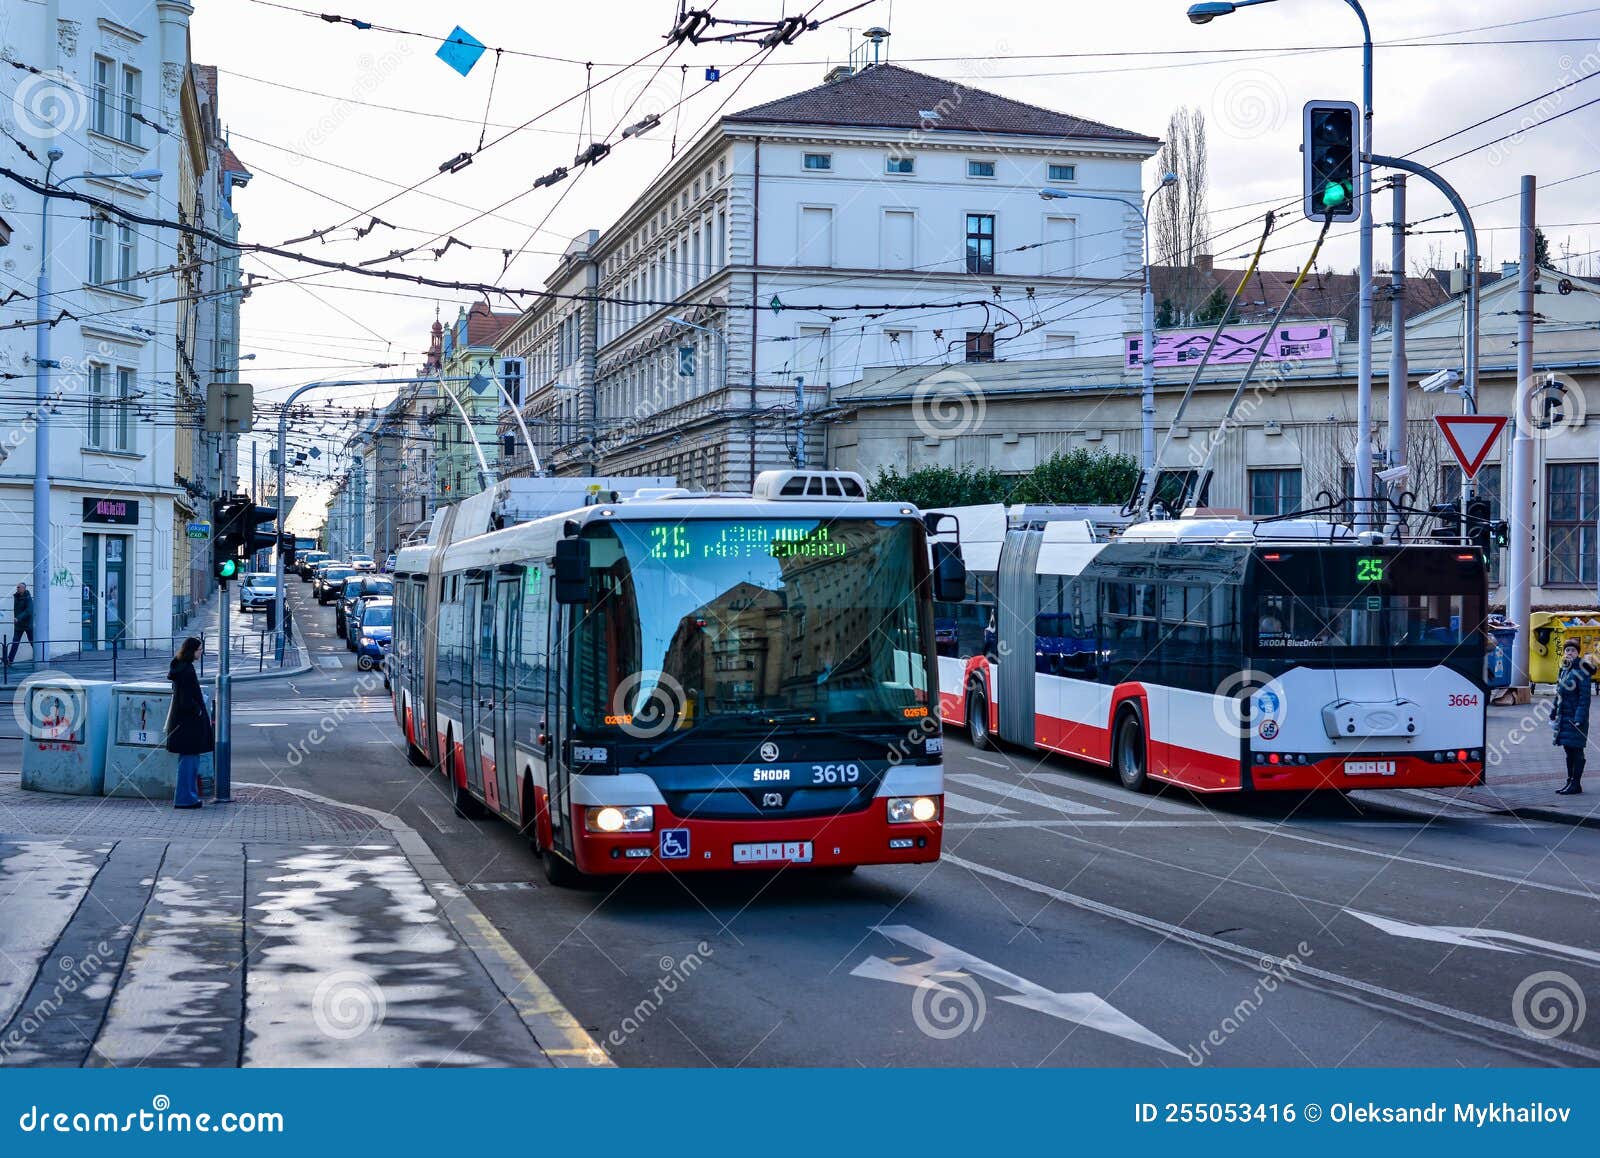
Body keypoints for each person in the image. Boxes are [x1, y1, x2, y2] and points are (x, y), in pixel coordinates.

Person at [165, 636, 213, 809]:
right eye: (200, 649)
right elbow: (187, 700)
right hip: (189, 724)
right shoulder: (187, 670)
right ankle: (186, 798)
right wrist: (198, 710)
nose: (201, 652)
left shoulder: (179, 667)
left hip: (182, 724)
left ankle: (187, 797)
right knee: (189, 762)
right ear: (192, 650)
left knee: (187, 761)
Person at [1551, 638, 1594, 796]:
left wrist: (1579, 718)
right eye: (1567, 650)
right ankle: (1570, 781)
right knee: (1568, 749)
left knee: (1576, 750)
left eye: (1573, 651)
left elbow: (1584, 699)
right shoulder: (1564, 669)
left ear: (1578, 653)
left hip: (1576, 719)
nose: (1569, 653)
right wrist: (1553, 712)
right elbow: (1559, 694)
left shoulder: (1582, 671)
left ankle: (1576, 783)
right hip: (1564, 717)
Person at [7, 582, 33, 665]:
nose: (17, 588)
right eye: (17, 587)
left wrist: (18, 618)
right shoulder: (16, 596)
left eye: (19, 587)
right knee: (15, 643)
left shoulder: (28, 598)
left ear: (24, 588)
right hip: (18, 625)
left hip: (27, 625)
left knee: (33, 642)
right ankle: (10, 660)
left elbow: (28, 611)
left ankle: (40, 657)